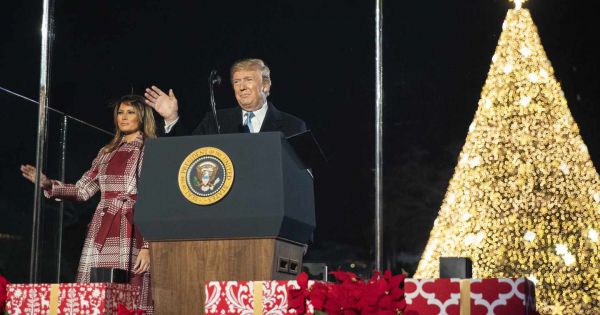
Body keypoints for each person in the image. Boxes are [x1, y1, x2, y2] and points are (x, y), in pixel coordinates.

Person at [20, 95, 155, 314]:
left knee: (130, 293)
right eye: (120, 112)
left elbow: (153, 198)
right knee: (94, 295)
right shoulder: (106, 152)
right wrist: (48, 184)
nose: (124, 117)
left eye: (130, 112)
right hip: (102, 228)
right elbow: (82, 191)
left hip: (132, 227)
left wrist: (148, 246)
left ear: (142, 116)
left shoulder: (150, 149)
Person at [144, 58, 307, 137]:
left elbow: (300, 176)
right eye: (237, 82)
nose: (242, 87)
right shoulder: (215, 121)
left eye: (248, 80)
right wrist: (172, 118)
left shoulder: (293, 126)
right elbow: (187, 152)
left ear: (265, 85)